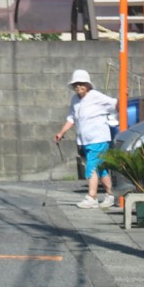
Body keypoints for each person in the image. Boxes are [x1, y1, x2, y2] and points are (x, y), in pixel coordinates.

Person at [54, 69, 118, 209]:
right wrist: (61, 132)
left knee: (90, 167)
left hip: (99, 138)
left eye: (81, 83)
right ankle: (110, 195)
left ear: (88, 84)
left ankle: (92, 197)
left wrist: (123, 98)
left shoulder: (95, 96)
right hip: (85, 140)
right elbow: (71, 118)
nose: (78, 86)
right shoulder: (75, 100)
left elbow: (114, 103)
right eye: (76, 84)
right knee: (101, 169)